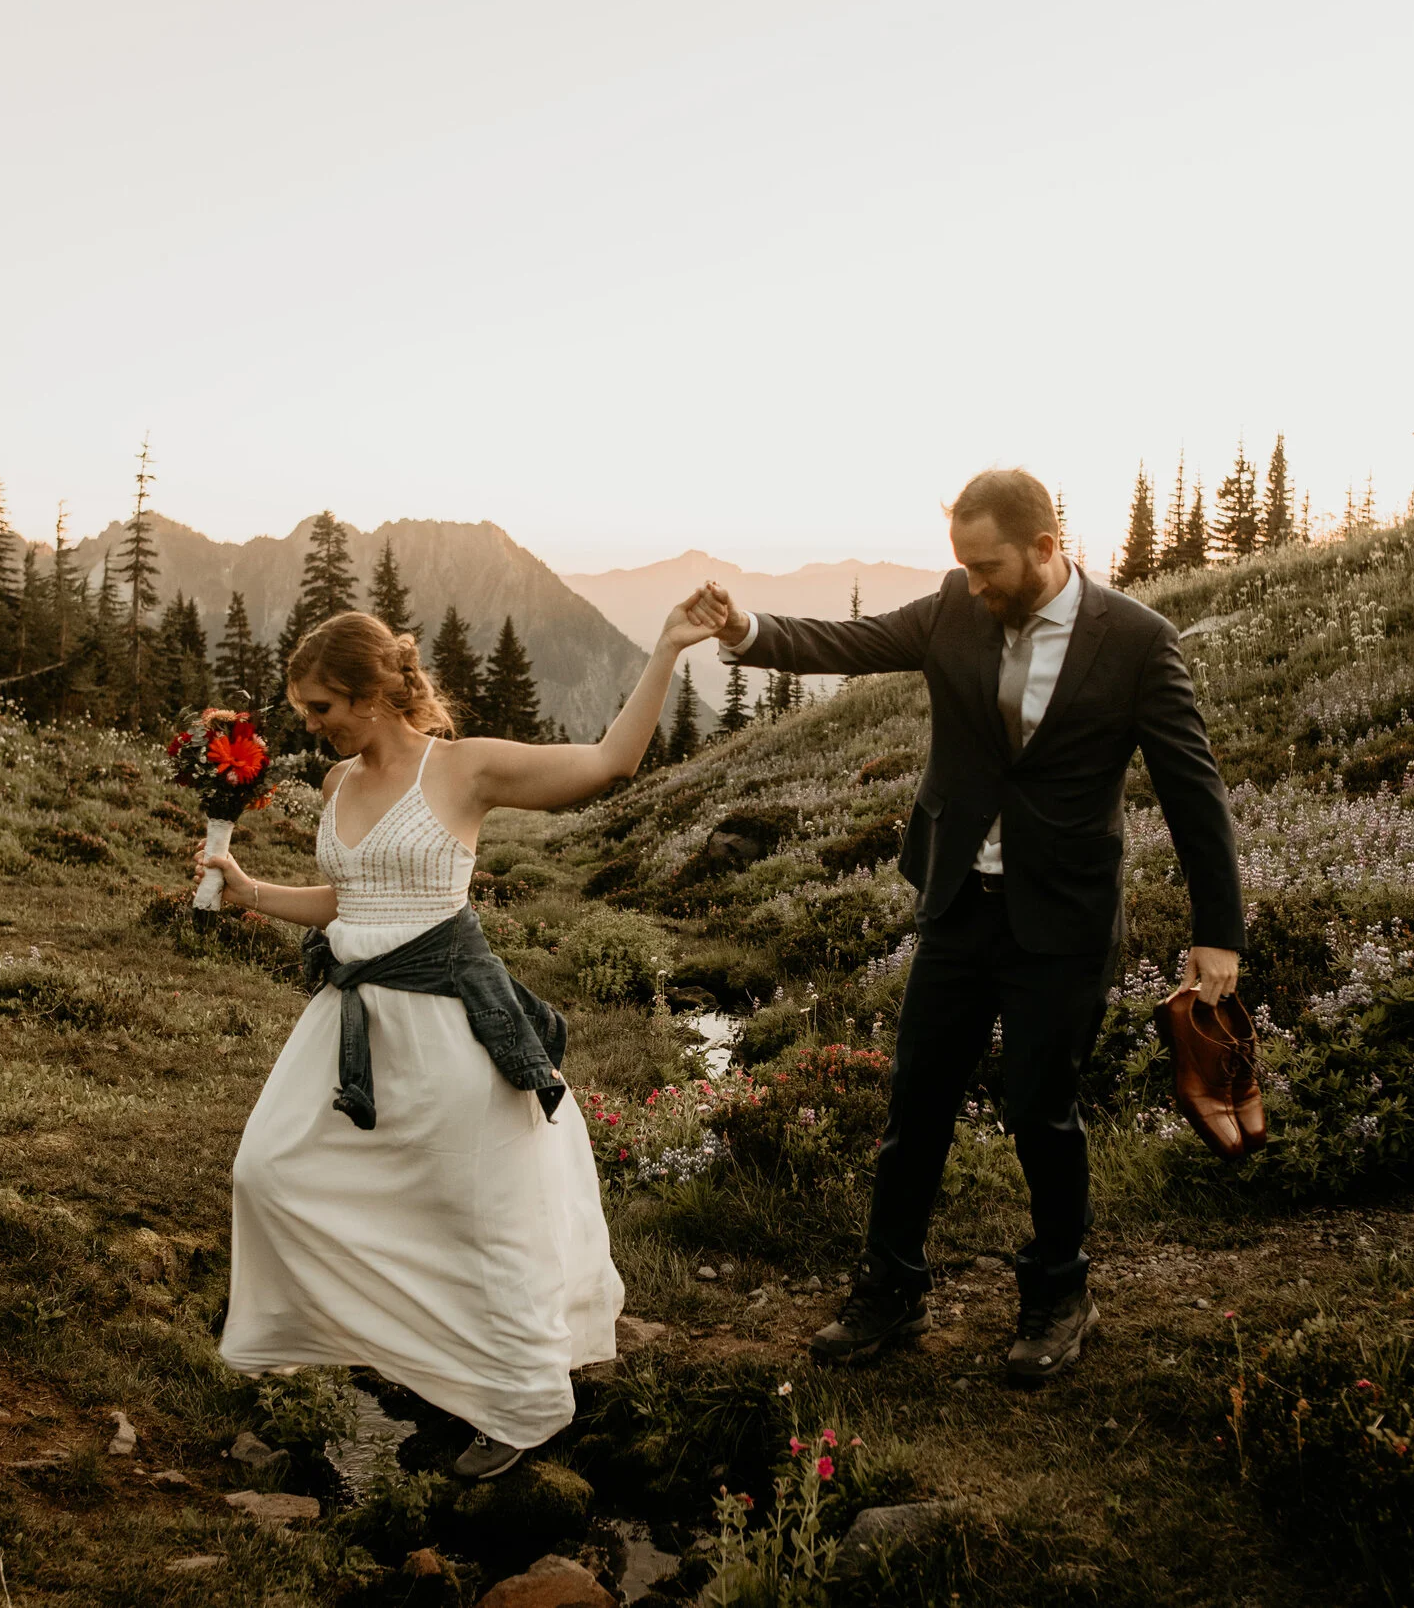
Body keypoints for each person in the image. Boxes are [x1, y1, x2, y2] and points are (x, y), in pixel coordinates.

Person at [692, 467, 1244, 1383]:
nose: (974, 583)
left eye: (988, 566)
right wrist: (745, 629)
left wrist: (1218, 929)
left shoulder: (1140, 643)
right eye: (963, 565)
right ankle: (890, 1288)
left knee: (1041, 1110)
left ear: (1043, 546)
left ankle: (1060, 1293)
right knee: (918, 1104)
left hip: (1061, 919)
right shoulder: (955, 604)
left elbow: (1195, 789)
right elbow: (851, 640)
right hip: (956, 905)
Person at [199, 596, 724, 1478]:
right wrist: (251, 891)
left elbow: (609, 762)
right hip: (349, 1023)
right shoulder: (337, 785)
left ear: (372, 695)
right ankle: (384, 1342)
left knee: (480, 1218)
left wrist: (668, 646)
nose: (312, 728)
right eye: (304, 714)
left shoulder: (465, 769)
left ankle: (518, 1406)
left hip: (448, 1028)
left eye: (322, 710)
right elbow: (348, 900)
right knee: (268, 1172)